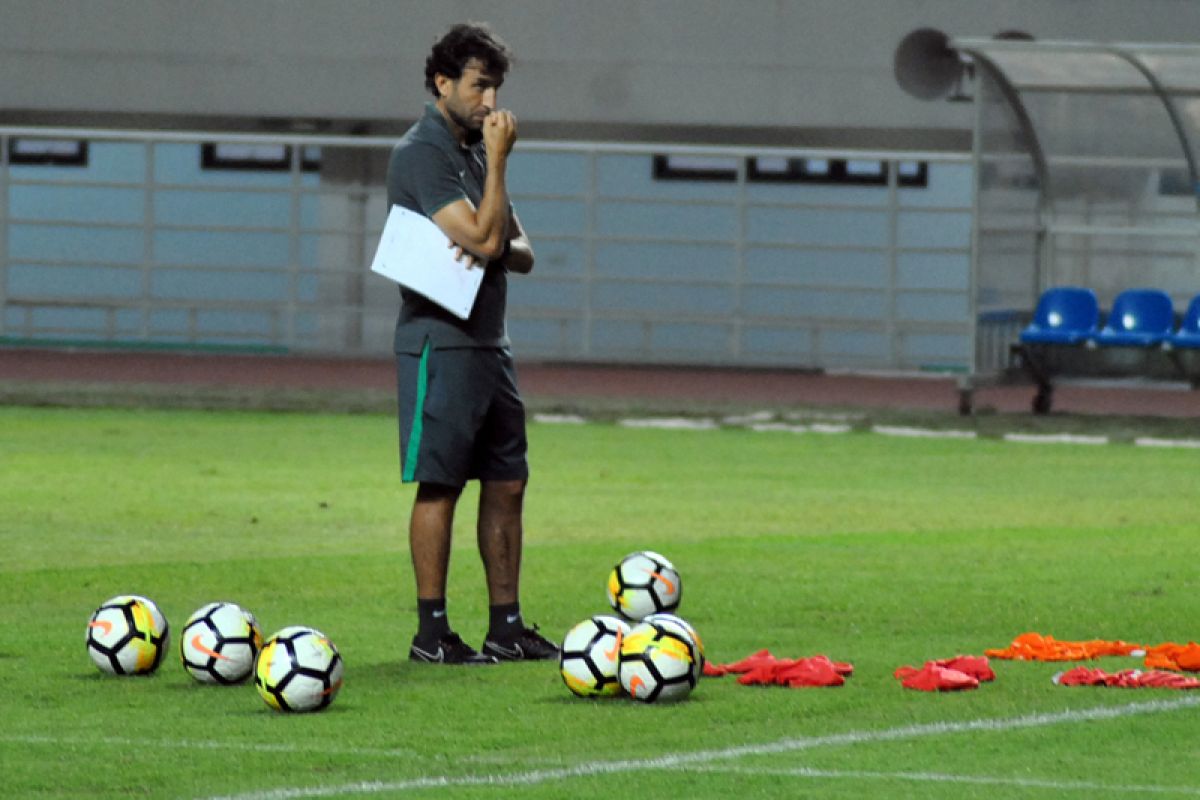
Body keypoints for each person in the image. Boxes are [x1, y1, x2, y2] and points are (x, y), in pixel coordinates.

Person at [385, 22, 557, 665]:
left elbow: (523, 251)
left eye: (496, 87)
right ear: (443, 82)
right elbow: (491, 242)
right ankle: (432, 633)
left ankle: (505, 626)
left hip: (490, 343)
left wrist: (493, 227)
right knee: (441, 485)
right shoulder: (421, 153)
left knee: (508, 482)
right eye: (480, 86)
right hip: (442, 341)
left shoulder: (476, 153)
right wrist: (501, 170)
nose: (491, 102)